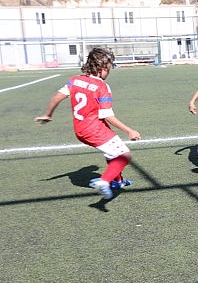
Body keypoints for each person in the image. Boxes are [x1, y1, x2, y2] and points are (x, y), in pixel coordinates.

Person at [34, 48, 141, 200]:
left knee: (112, 151)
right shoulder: (102, 86)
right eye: (108, 69)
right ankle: (104, 182)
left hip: (80, 129)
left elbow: (57, 96)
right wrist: (129, 130)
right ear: (101, 68)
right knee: (124, 155)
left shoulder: (75, 80)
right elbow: (107, 115)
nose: (108, 72)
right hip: (94, 128)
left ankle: (117, 181)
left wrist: (48, 114)